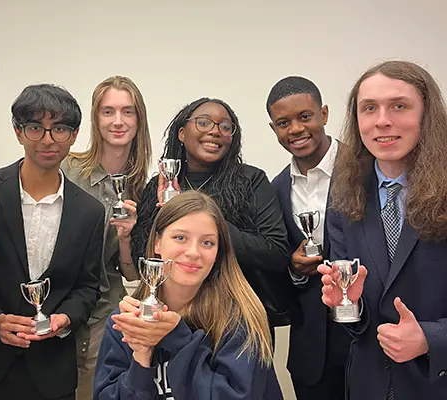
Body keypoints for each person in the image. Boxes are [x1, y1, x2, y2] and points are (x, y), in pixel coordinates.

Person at [0, 84, 104, 400]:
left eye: (60, 129)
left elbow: (87, 286)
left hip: (52, 372)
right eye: (36, 127)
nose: (48, 140)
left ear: (75, 134)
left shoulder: (91, 212)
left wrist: (64, 319)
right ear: (18, 131)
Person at [318, 60, 447, 399]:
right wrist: (348, 304)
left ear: (426, 115)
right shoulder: (345, 193)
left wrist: (432, 338)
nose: (382, 120)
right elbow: (357, 321)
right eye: (369, 108)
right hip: (369, 385)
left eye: (399, 106)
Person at [94, 191, 283, 399]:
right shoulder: (125, 322)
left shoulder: (240, 321)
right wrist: (141, 359)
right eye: (180, 237)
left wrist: (178, 339)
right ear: (157, 242)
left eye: (207, 243)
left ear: (218, 252)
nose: (193, 252)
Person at [131, 97, 290, 328]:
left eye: (225, 127)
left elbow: (276, 253)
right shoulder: (161, 185)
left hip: (236, 319)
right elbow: (143, 258)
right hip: (170, 316)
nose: (215, 131)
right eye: (204, 123)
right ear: (182, 133)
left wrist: (209, 225)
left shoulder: (251, 181)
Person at [61, 75, 151, 399]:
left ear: (139, 120)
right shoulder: (66, 169)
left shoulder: (146, 188)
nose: (118, 121)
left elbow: (132, 275)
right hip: (58, 300)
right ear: (95, 119)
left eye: (127, 112)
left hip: (106, 308)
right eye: (108, 111)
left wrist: (126, 238)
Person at [268, 76, 351, 399]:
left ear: (324, 114)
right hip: (311, 352)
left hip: (371, 344)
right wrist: (293, 268)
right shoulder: (274, 190)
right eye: (283, 123)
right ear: (274, 128)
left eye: (305, 117)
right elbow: (278, 262)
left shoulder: (366, 168)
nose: (296, 130)